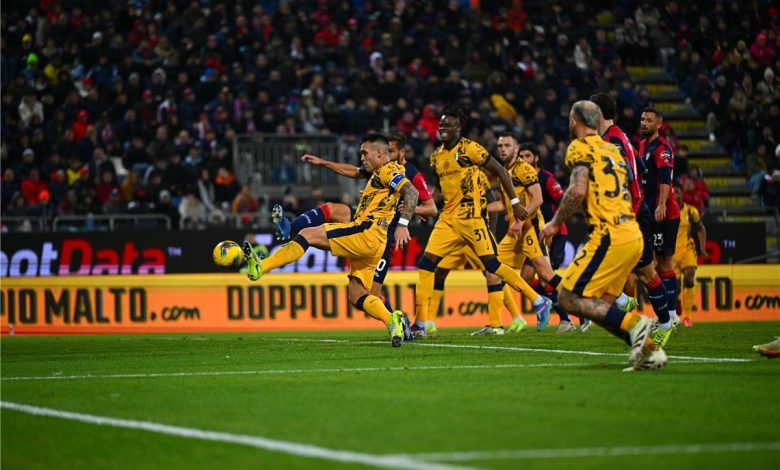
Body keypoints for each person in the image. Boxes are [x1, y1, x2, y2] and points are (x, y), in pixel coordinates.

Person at [243, 133, 419, 347]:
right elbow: (354, 172)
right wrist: (324, 163)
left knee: (308, 234)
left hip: (367, 232)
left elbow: (412, 192)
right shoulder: (377, 174)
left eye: (365, 153)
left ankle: (261, 267)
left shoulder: (388, 170)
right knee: (357, 295)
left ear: (380, 153)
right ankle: (392, 319)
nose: (362, 158)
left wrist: (403, 225)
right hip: (375, 242)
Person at [540, 100, 666, 371]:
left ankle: (637, 323)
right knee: (599, 306)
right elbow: (632, 186)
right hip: (632, 232)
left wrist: (554, 223)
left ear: (575, 121)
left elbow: (577, 190)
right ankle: (650, 351)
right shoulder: (613, 149)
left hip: (608, 234)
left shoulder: (579, 146)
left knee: (568, 298)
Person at [413, 105, 552, 337]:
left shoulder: (470, 149)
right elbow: (438, 191)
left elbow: (501, 171)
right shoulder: (436, 157)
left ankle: (537, 300)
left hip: (473, 219)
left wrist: (515, 203)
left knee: (492, 266)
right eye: (441, 124)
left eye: (448, 125)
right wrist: (421, 204)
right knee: (426, 264)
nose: (442, 128)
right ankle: (420, 324)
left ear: (458, 128)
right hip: (448, 221)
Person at [272, 132, 437, 315]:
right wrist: (323, 163)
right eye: (384, 150)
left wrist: (407, 214)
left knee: (371, 295)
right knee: (333, 209)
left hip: (385, 233)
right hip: (366, 221)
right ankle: (290, 228)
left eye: (390, 151)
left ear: (401, 153)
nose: (386, 154)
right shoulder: (379, 168)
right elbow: (355, 171)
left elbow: (431, 209)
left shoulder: (411, 173)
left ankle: (398, 321)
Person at [590, 93, 674, 347]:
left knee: (647, 273)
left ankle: (665, 323)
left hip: (631, 216)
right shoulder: (618, 136)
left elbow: (626, 172)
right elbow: (640, 168)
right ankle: (623, 301)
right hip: (629, 214)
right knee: (611, 264)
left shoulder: (612, 140)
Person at [484, 135, 566, 333]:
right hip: (515, 231)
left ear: (516, 148)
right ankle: (495, 325)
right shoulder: (503, 172)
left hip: (530, 228)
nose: (502, 149)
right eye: (500, 146)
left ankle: (582, 300)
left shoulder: (524, 169)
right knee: (492, 270)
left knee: (546, 275)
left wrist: (520, 221)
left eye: (507, 145)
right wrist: (479, 209)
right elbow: (503, 204)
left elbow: (538, 199)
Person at [638, 107, 681, 344]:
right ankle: (666, 315)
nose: (644, 123)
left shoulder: (662, 148)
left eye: (649, 120)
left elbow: (666, 179)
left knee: (665, 263)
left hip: (664, 212)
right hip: (649, 212)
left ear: (658, 125)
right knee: (651, 263)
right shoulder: (643, 147)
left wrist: (662, 204)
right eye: (642, 119)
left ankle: (671, 316)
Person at [673, 181, 707, 327]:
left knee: (689, 276)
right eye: (673, 192)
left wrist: (702, 248)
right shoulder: (666, 211)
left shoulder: (691, 211)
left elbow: (701, 229)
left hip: (687, 249)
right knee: (675, 288)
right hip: (672, 253)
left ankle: (686, 317)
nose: (676, 194)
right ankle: (676, 302)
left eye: (678, 191)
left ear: (682, 194)